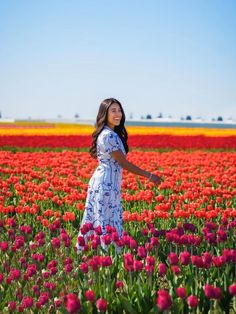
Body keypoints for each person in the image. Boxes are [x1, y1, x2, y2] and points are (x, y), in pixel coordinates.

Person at [77, 98, 163, 252]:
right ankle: (106, 257)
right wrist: (149, 176)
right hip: (106, 184)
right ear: (105, 113)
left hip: (108, 182)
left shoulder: (108, 133)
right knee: (105, 221)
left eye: (119, 110)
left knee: (102, 219)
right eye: (113, 110)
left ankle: (98, 255)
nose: (118, 114)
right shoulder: (108, 136)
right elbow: (123, 163)